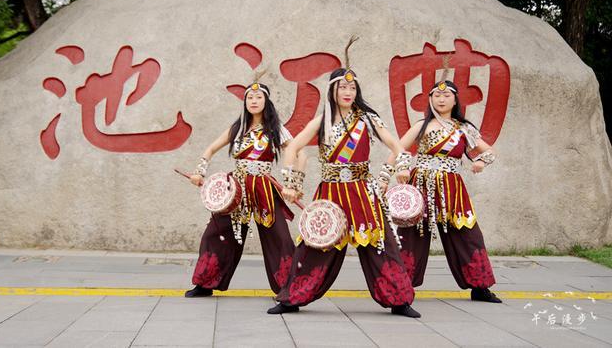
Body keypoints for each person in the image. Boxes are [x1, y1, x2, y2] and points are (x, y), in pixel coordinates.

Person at [267, 38, 421, 317]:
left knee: (379, 244)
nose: (348, 91)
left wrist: (402, 165)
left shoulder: (368, 118)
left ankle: (399, 300)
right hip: (331, 192)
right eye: (342, 87)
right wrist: (291, 184)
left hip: (363, 191)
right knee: (316, 244)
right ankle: (291, 298)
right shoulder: (322, 119)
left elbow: (397, 145)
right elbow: (293, 147)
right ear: (333, 91)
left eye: (352, 87)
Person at [183, 79, 304, 297]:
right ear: (245, 102)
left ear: (266, 102)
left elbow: (299, 154)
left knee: (280, 237)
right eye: (250, 97)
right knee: (217, 233)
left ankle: (289, 290)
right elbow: (211, 148)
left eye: (259, 97)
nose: (254, 101)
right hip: (237, 189)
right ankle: (205, 284)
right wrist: (200, 172)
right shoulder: (237, 128)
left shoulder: (276, 129)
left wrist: (292, 185)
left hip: (263, 188)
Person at [391, 78, 501, 303]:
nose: (441, 99)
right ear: (430, 99)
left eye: (446, 96)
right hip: (420, 184)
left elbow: (489, 152)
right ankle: (401, 286)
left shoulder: (464, 128)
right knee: (411, 235)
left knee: (468, 235)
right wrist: (401, 168)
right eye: (436, 96)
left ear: (455, 100)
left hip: (452, 188)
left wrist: (480, 162)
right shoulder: (421, 125)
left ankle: (480, 287)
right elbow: (398, 149)